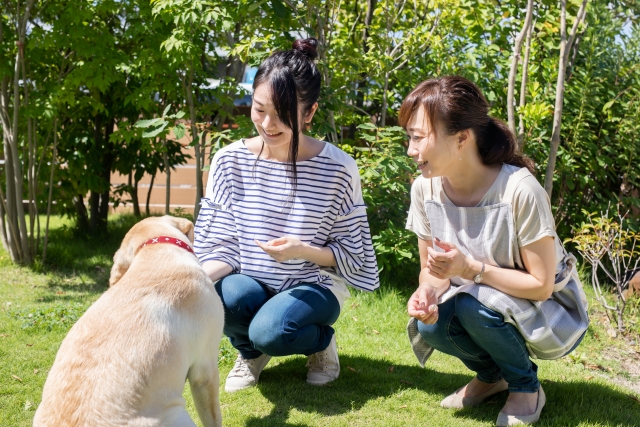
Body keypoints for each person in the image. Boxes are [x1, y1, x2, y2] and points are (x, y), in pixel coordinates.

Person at [193, 38, 380, 393]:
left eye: (282, 114)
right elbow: (219, 246)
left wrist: (303, 250)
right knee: (220, 296)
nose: (267, 124)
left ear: (309, 113)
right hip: (251, 280)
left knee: (273, 332)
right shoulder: (230, 161)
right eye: (259, 109)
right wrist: (191, 282)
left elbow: (352, 253)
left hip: (315, 283)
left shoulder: (339, 168)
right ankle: (250, 353)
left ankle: (320, 343)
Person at [401, 76, 589, 426]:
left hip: (548, 310)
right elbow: (432, 271)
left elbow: (542, 285)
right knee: (430, 325)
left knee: (473, 305)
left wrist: (470, 268)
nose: (411, 150)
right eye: (409, 137)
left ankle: (525, 387)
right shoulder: (424, 190)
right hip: (482, 298)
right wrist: (426, 292)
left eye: (418, 137)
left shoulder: (519, 190)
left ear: (461, 138)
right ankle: (492, 377)